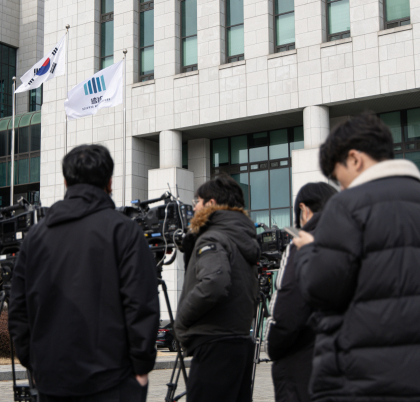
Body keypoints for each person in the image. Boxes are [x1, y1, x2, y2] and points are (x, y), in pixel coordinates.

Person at [8, 144, 160, 402]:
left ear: (66, 181)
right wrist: (142, 367)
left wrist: (33, 362)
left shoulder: (36, 236)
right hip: (113, 380)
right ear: (109, 182)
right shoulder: (124, 231)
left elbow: (18, 308)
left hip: (52, 380)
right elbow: (141, 304)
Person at [293, 112, 420, 401]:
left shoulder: (348, 206)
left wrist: (309, 251)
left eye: (340, 179)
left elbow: (322, 287)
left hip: (363, 376)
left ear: (354, 159)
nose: (342, 188)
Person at [175, 174, 261, 402]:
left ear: (211, 204)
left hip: (214, 345)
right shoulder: (242, 238)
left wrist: (181, 320)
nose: (194, 207)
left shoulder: (213, 237)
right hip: (239, 343)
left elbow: (214, 282)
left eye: (197, 201)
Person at [266, 182, 337, 402]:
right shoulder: (350, 242)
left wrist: (273, 346)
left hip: (300, 364)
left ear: (304, 210)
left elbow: (287, 308)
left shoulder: (300, 245)